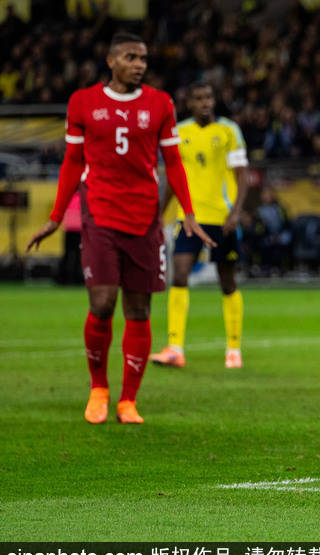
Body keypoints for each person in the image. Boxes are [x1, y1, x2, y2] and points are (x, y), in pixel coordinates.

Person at [26, 32, 213, 424]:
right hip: (100, 213)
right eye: (131, 57)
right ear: (111, 61)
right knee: (102, 302)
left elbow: (174, 162)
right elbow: (73, 163)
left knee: (140, 309)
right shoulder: (83, 102)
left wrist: (189, 212)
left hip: (145, 217)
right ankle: (99, 388)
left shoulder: (160, 103)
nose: (140, 64)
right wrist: (57, 216)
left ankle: (128, 400)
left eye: (143, 58)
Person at [149, 82, 248, 370]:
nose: (205, 102)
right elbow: (174, 175)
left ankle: (233, 348)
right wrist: (161, 213)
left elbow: (242, 176)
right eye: (198, 98)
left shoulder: (229, 131)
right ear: (189, 103)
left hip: (222, 217)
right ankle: (175, 348)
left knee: (227, 280)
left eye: (209, 97)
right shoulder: (179, 132)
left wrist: (236, 213)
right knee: (179, 274)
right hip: (188, 217)